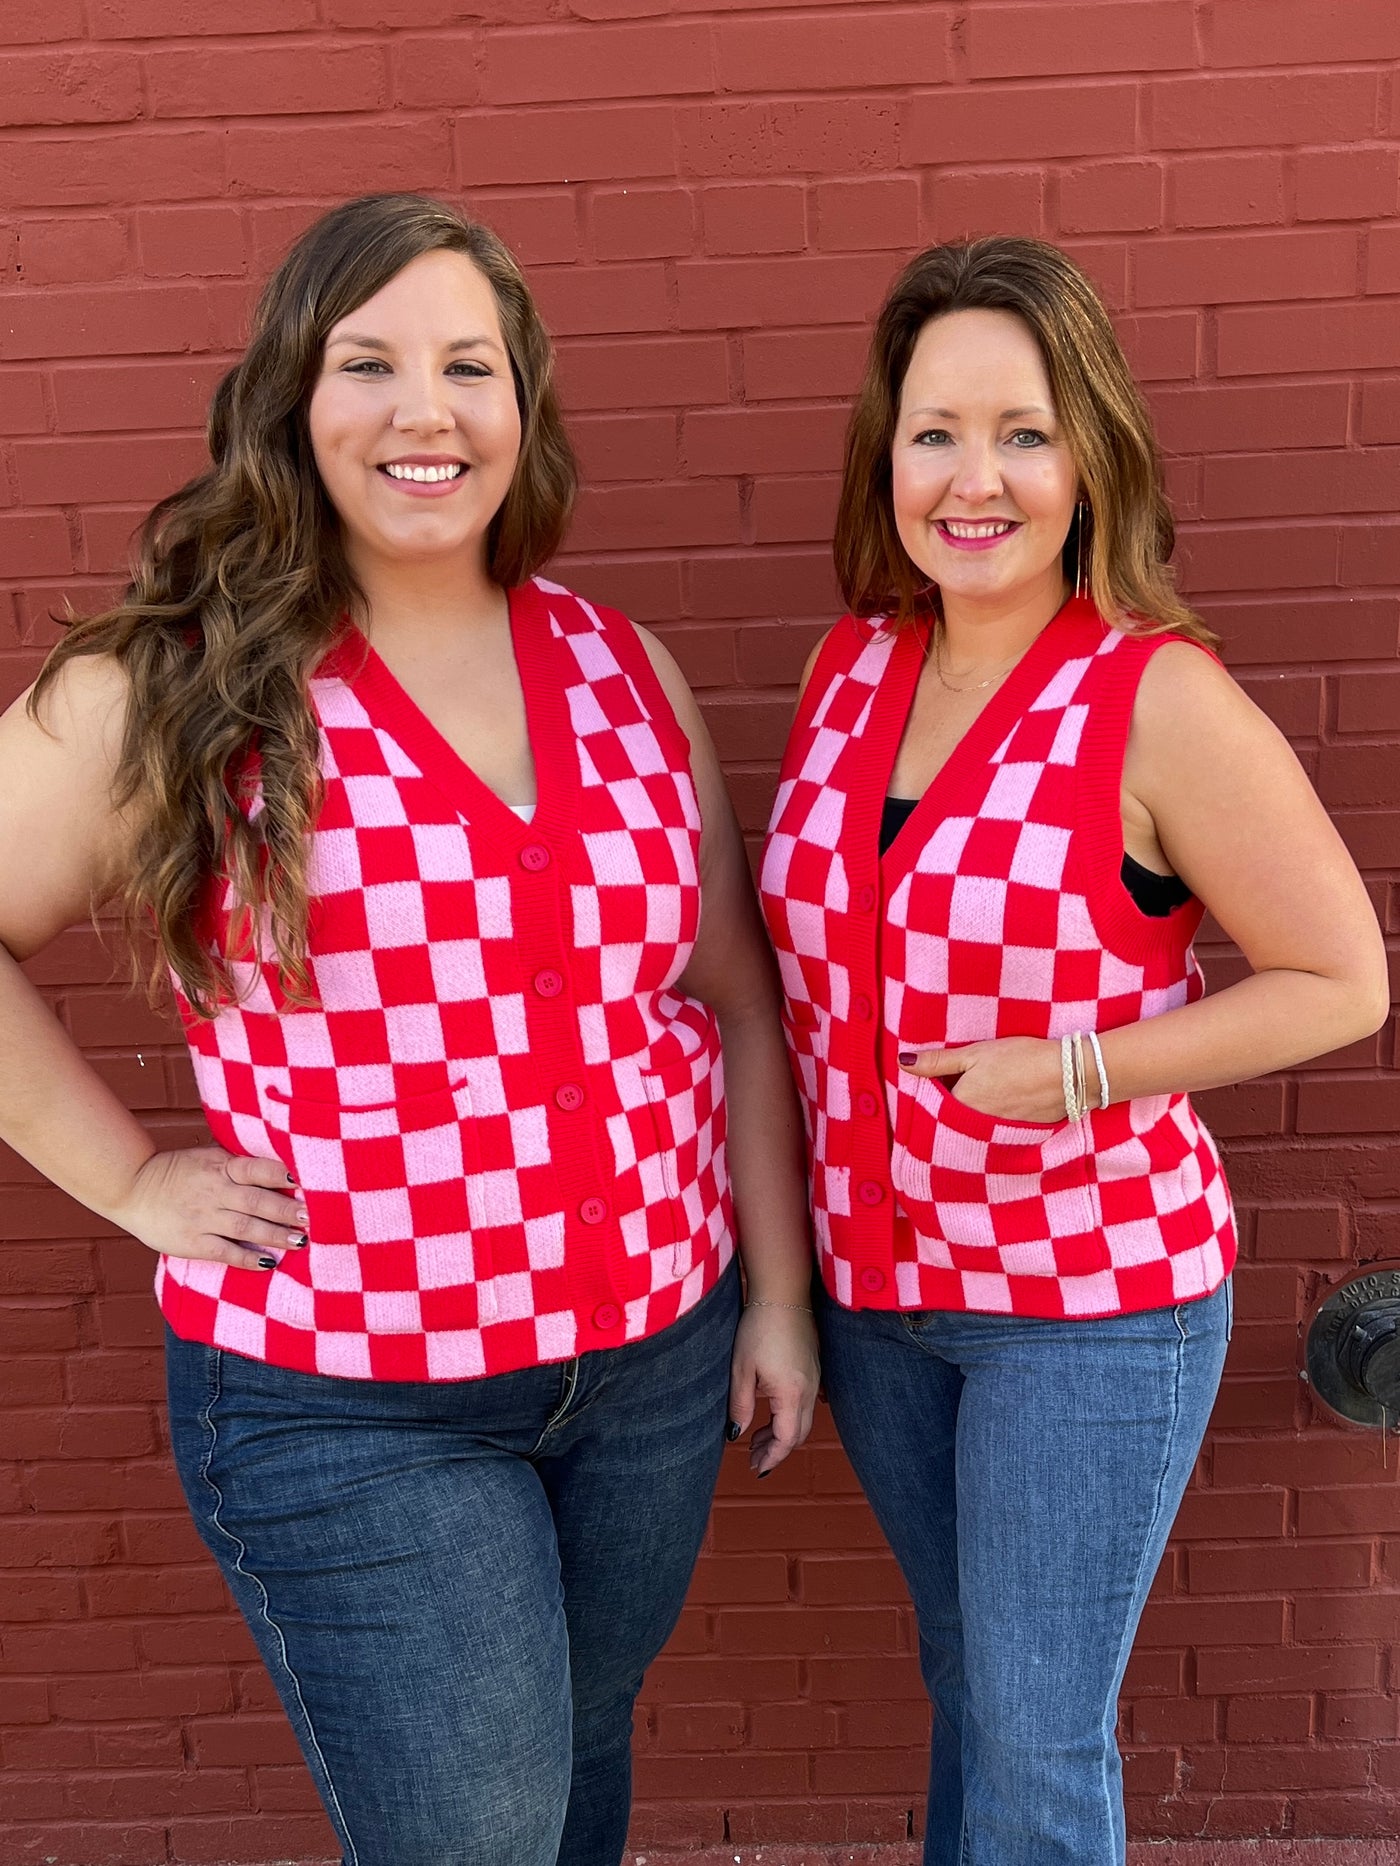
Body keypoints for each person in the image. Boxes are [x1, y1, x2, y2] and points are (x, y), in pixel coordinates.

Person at [0, 193, 818, 1866]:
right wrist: (132, 1184)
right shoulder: (180, 684)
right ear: (293, 397)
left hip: (650, 1368)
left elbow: (731, 1000)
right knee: (480, 1832)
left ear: (524, 403)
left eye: (470, 364)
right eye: (368, 362)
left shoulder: (625, 672)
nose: (424, 410)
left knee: (581, 1767)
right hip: (347, 1394)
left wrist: (778, 1299)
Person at [758, 236, 1388, 1866]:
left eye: (1023, 432)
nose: (976, 478)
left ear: (1091, 453)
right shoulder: (853, 670)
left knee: (1038, 1734)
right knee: (973, 1683)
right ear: (884, 455)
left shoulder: (1156, 699)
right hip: (881, 1293)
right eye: (936, 432)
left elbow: (1341, 978)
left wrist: (1089, 1065)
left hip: (1088, 1307)